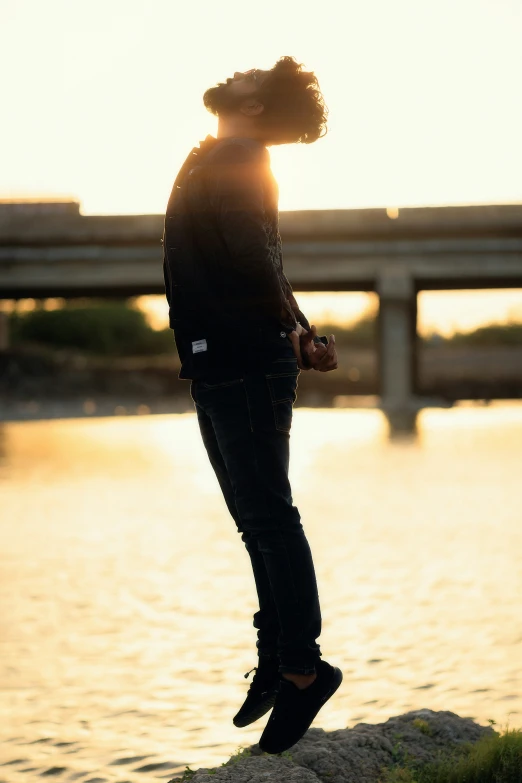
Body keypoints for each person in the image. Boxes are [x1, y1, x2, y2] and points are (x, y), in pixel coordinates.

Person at [162, 56, 342, 754]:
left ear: (258, 107)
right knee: (256, 521)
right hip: (224, 359)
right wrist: (299, 329)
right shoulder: (231, 155)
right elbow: (265, 255)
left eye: (248, 77)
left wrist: (292, 329)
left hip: (240, 362)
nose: (233, 76)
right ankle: (281, 655)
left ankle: (301, 668)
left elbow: (255, 258)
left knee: (268, 516)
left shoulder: (239, 155)